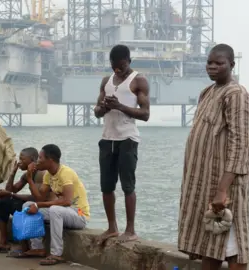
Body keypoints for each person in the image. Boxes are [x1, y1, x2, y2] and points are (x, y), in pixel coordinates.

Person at [178, 44, 249, 270]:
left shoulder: (236, 95)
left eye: (219, 63)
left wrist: (222, 189)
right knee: (211, 239)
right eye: (210, 62)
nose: (212, 67)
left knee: (234, 244)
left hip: (228, 183)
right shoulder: (208, 92)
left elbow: (239, 145)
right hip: (207, 183)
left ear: (231, 65)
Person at [93, 44, 150, 244]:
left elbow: (145, 114)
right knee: (106, 187)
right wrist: (104, 108)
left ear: (129, 61)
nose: (118, 69)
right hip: (107, 138)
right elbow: (96, 112)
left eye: (122, 65)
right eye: (114, 66)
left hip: (128, 139)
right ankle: (112, 228)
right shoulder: (105, 81)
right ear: (110, 64)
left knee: (128, 186)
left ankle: (131, 230)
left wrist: (120, 106)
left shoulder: (138, 80)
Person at [18, 144, 90, 266]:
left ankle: (56, 254)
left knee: (55, 209)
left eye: (40, 158)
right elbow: (39, 197)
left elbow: (67, 201)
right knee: (27, 205)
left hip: (79, 213)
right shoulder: (48, 175)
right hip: (63, 212)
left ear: (50, 160)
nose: (38, 161)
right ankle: (37, 248)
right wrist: (29, 179)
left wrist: (39, 204)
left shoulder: (65, 173)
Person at [0, 147, 53, 253]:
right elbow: (10, 190)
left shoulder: (40, 174)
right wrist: (13, 173)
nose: (19, 162)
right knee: (4, 202)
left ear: (32, 159)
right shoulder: (27, 174)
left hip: (44, 207)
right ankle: (3, 242)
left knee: (20, 206)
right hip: (33, 204)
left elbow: (36, 198)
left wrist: (10, 194)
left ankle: (24, 245)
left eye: (22, 159)